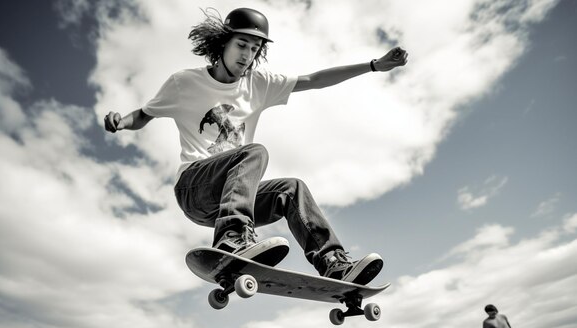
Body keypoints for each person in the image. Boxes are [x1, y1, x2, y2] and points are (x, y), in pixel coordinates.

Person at [104, 7, 407, 284]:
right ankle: (233, 236)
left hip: (232, 199)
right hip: (195, 188)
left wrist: (373, 66)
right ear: (222, 43)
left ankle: (331, 262)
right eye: (241, 45)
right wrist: (121, 121)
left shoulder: (258, 84)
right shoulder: (183, 83)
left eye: (254, 49)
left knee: (292, 188)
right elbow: (144, 115)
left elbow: (313, 79)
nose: (246, 55)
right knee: (254, 152)